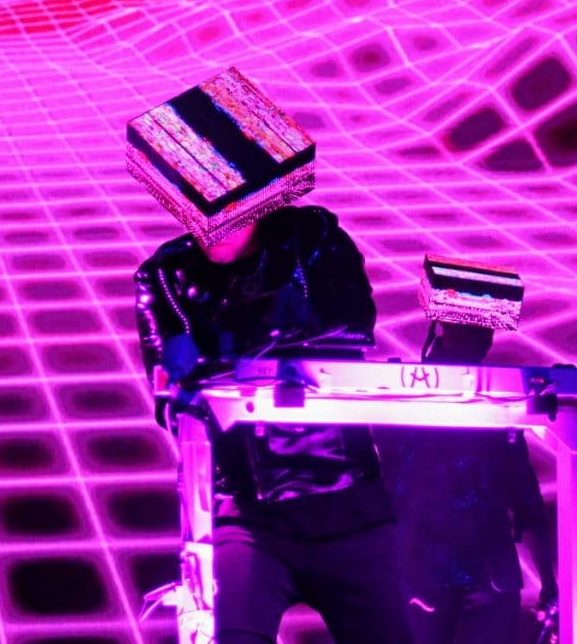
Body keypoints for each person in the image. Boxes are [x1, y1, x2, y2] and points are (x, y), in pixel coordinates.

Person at [128, 67, 414, 644]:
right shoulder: (164, 275)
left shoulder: (313, 238)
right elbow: (176, 392)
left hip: (350, 504)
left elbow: (350, 329)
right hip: (244, 514)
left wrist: (243, 360)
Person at [378, 318, 559, 644]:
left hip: (482, 576)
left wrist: (548, 579)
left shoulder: (497, 401)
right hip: (429, 574)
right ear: (446, 327)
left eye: (487, 330)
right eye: (476, 328)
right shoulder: (414, 395)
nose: (485, 337)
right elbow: (388, 489)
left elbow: (527, 500)